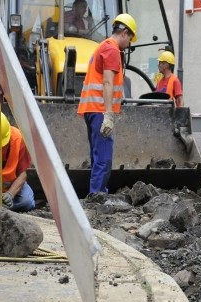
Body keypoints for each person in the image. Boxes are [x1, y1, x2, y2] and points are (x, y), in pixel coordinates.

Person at [78, 13, 137, 194]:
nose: (129, 44)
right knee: (103, 158)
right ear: (124, 33)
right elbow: (107, 82)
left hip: (92, 110)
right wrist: (109, 114)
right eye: (130, 39)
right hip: (100, 110)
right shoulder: (111, 50)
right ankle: (97, 196)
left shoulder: (102, 47)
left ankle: (96, 193)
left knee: (97, 157)